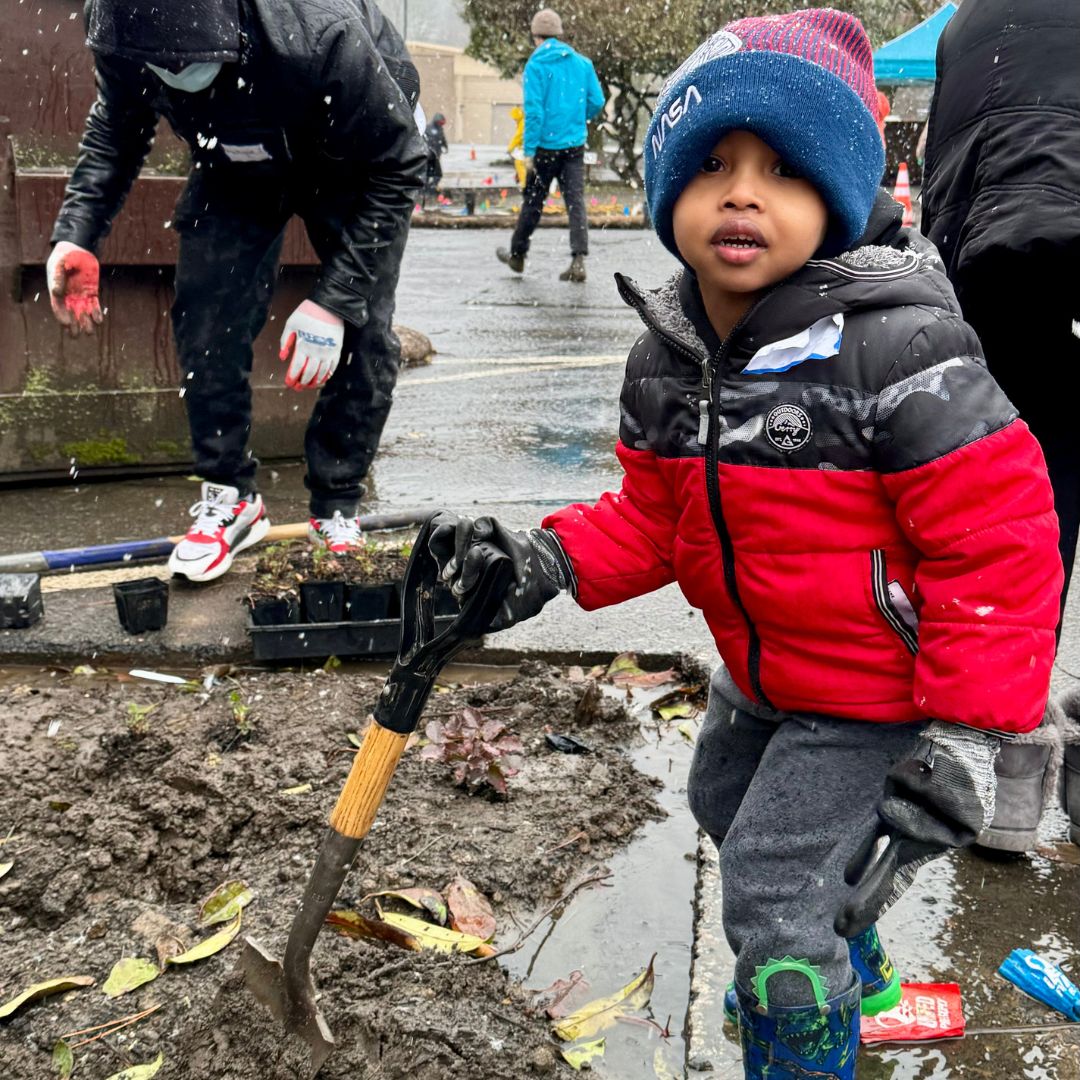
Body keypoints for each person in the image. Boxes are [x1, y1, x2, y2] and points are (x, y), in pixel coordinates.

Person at [424, 10, 1062, 1076]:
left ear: (840, 201)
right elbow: (655, 516)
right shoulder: (670, 355)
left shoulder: (898, 348)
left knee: (770, 894)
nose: (743, 191)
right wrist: (545, 561)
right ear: (669, 188)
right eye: (712, 161)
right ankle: (847, 968)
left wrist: (965, 733)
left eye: (784, 169)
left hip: (873, 689)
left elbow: (1000, 545)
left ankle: (801, 1017)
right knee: (723, 801)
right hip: (765, 674)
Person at [46, 0, 426, 582]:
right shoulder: (118, 26)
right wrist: (76, 235)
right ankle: (230, 495)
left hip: (354, 158)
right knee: (205, 313)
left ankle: (337, 506)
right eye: (161, 68)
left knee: (363, 327)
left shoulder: (322, 34)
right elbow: (117, 129)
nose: (176, 77)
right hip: (232, 160)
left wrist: (334, 299)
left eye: (190, 64)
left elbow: (400, 165)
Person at [920, 0, 1080, 851]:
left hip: (1003, 254)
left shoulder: (970, 20)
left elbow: (946, 172)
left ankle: (1013, 766)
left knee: (1031, 482)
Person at [495, 7, 604, 283]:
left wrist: (529, 151)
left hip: (544, 148)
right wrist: (578, 120)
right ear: (559, 34)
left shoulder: (536, 66)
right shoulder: (583, 64)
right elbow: (598, 102)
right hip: (574, 147)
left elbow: (534, 112)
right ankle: (578, 259)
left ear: (536, 37)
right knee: (575, 201)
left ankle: (518, 255)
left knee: (533, 202)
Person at [423, 111, 448, 203]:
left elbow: (443, 139)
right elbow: (424, 140)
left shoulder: (440, 130)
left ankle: (431, 188)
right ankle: (425, 191)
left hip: (436, 156)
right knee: (426, 175)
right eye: (440, 123)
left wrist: (445, 146)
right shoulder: (428, 129)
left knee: (437, 175)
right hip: (428, 156)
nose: (441, 125)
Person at [507, 105, 528, 189]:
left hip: (526, 147)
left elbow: (518, 136)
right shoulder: (523, 122)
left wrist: (511, 147)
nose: (514, 120)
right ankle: (525, 182)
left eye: (515, 118)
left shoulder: (522, 123)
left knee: (519, 162)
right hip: (526, 147)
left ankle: (524, 183)